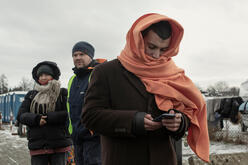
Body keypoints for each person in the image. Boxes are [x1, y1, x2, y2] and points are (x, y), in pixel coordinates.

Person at [81, 13, 209, 165]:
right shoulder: (105, 72)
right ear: (137, 40)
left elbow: (188, 110)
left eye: (163, 49)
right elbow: (90, 116)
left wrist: (179, 123)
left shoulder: (172, 73)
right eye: (151, 47)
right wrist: (133, 121)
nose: (157, 56)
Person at [17, 61, 72, 165]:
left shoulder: (62, 93)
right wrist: (37, 119)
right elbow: (21, 115)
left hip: (59, 144)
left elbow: (69, 113)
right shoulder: (31, 95)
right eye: (40, 75)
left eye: (46, 74)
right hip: (38, 145)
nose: (43, 77)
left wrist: (50, 117)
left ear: (53, 76)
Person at [67, 41, 105, 165]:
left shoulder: (97, 74)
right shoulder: (72, 80)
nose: (78, 58)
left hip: (94, 139)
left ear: (90, 56)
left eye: (82, 54)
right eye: (75, 55)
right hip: (77, 138)